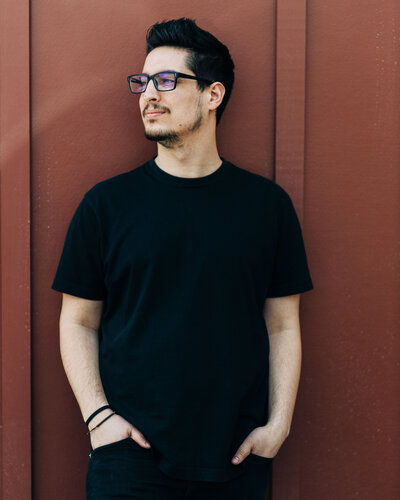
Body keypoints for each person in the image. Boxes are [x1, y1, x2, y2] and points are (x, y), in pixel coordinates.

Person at [51, 17, 314, 500]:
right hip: (128, 457)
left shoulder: (266, 206)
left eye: (167, 80)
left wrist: (278, 424)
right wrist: (98, 417)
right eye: (143, 82)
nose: (149, 93)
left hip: (236, 457)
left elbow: (283, 324)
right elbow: (78, 320)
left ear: (213, 95)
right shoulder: (106, 206)